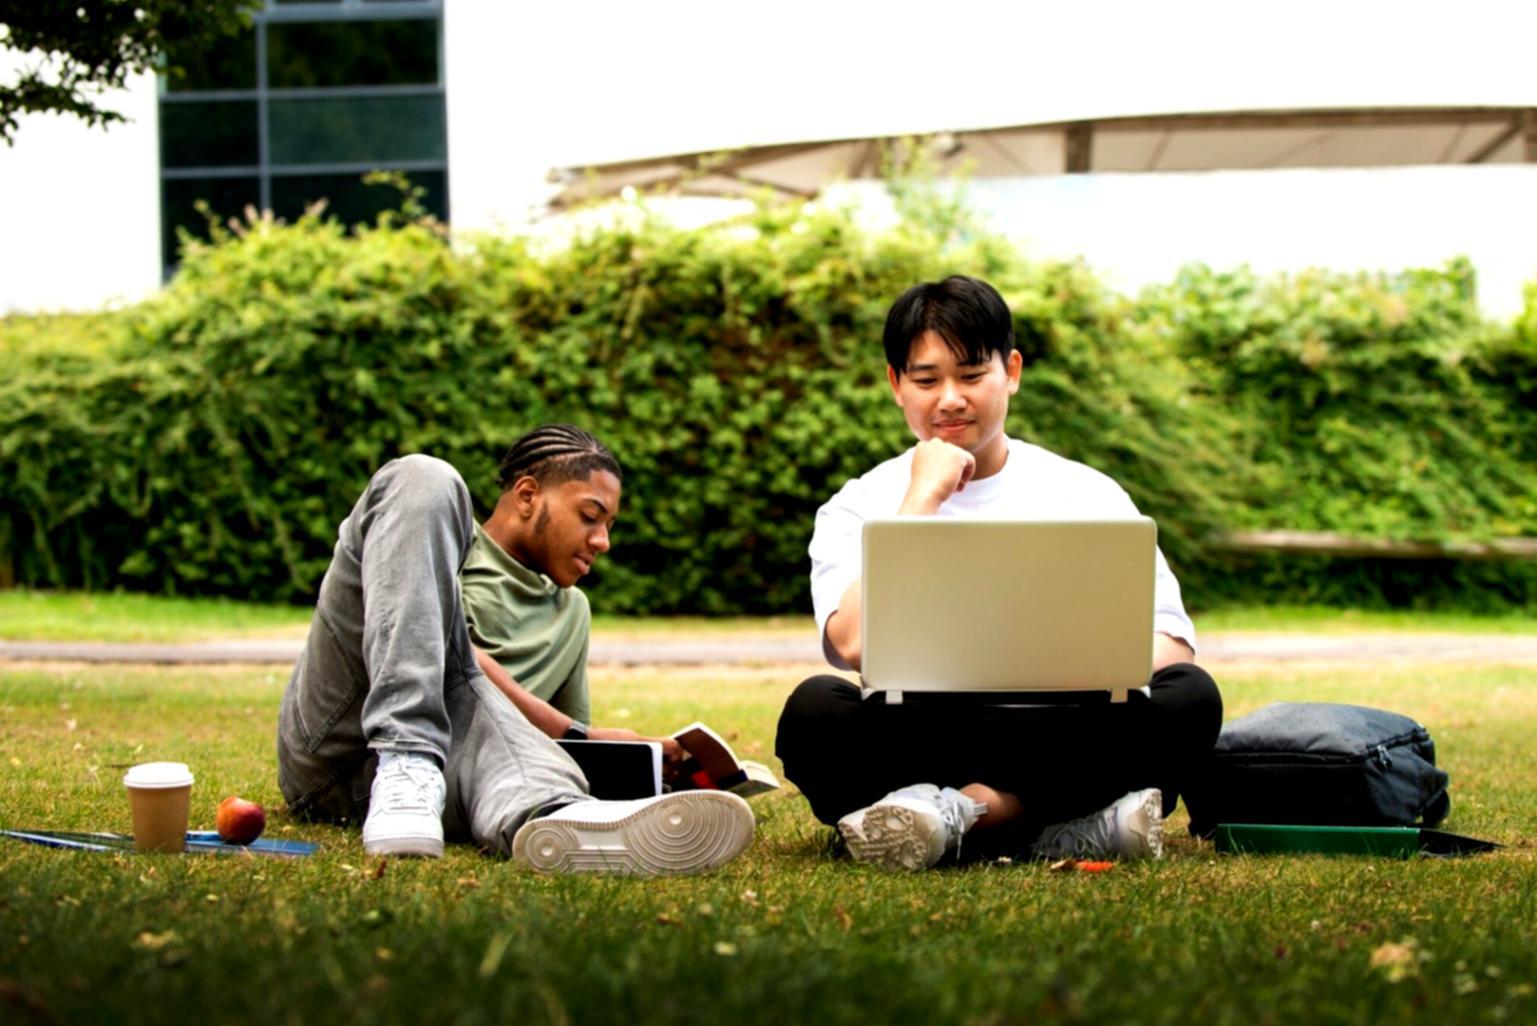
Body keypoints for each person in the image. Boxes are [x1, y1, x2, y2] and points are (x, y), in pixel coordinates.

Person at [774, 275, 1223, 871]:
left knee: (1191, 697)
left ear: (1010, 371)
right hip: (925, 729)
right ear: (895, 385)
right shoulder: (858, 504)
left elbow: (1171, 645)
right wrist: (921, 500)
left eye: (971, 375)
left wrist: (1062, 659)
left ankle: (964, 813)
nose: (950, 399)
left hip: (1062, 725)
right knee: (815, 711)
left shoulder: (1086, 491)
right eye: (927, 380)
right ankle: (1062, 824)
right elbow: (852, 643)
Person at [276, 425, 754, 874]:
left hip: (458, 785)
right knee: (424, 476)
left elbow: (561, 748)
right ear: (527, 495)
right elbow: (451, 658)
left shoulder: (572, 614)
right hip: (342, 744)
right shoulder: (439, 539)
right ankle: (409, 754)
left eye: (609, 525)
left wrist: (643, 767)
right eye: (590, 516)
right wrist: (584, 733)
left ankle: (558, 819)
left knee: (544, 780)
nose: (603, 541)